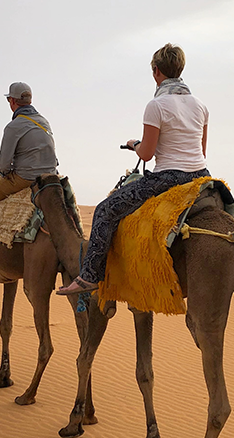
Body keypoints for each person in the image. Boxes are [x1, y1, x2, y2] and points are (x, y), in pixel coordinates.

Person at [57, 43, 210, 294]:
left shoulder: (156, 106)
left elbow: (147, 154)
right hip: (202, 177)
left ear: (156, 72)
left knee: (105, 211)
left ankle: (90, 276)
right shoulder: (201, 106)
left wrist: (134, 144)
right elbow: (201, 152)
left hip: (169, 178)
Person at [0, 82, 58, 268]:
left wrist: (4, 171)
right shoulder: (44, 121)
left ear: (12, 101)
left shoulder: (14, 126)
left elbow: (5, 163)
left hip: (25, 178)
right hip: (50, 175)